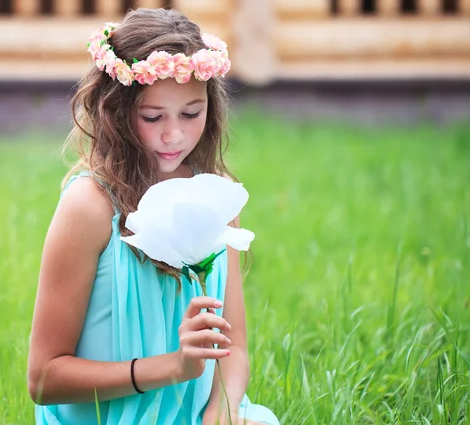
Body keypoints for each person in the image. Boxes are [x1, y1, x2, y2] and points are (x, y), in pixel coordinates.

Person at [26, 7, 280, 425]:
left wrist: (223, 411)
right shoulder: (90, 206)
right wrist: (171, 368)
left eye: (191, 113)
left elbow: (234, 350)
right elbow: (43, 378)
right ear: (116, 111)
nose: (174, 134)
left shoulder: (213, 199)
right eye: (152, 116)